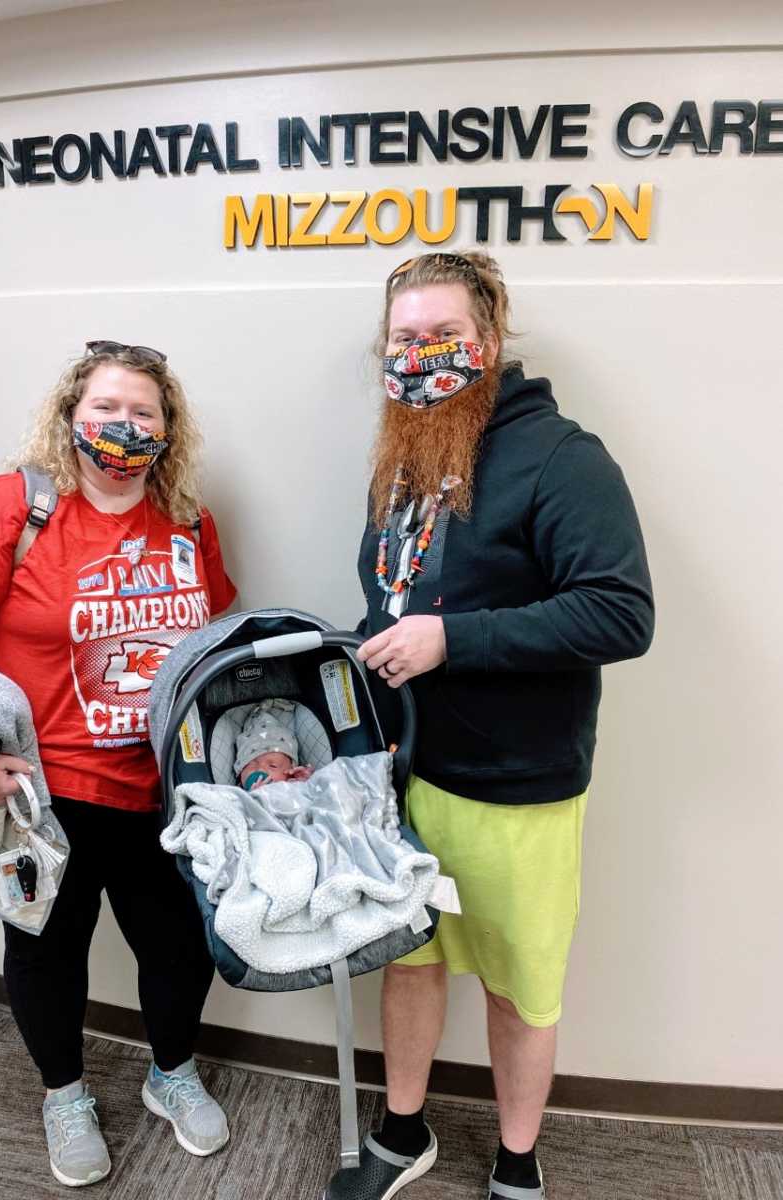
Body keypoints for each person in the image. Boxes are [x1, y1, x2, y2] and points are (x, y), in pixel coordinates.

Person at [324, 253, 654, 1200]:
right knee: (411, 964)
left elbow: (620, 613)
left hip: (519, 788)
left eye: (442, 337)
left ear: (491, 340)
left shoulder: (563, 457)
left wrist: (448, 640)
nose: (420, 357)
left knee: (519, 988)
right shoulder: (406, 452)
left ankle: (517, 1161)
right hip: (408, 777)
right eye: (402, 340)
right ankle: (401, 1131)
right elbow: (393, 598)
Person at [0, 340, 237, 1188]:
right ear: (70, 416)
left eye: (144, 413)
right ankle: (64, 1095)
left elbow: (214, 645)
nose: (125, 426)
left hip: (163, 790)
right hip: (40, 798)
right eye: (107, 408)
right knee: (48, 952)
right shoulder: (12, 508)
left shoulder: (188, 519)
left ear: (169, 429)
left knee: (181, 945)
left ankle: (171, 1074)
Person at [234, 700, 314, 790]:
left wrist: (306, 782)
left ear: (290, 773)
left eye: (273, 766)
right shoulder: (237, 794)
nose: (260, 769)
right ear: (240, 772)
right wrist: (256, 795)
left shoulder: (293, 786)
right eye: (251, 764)